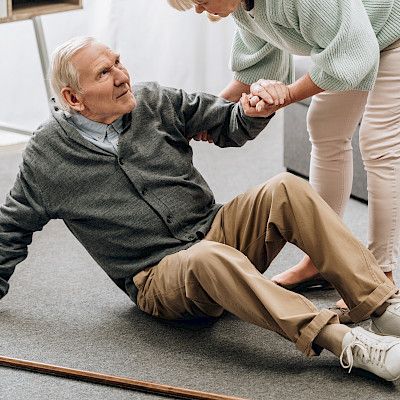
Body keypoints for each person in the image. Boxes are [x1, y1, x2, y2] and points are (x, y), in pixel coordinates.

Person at [1, 36, 400, 382]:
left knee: (286, 187)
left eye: (118, 61)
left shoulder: (152, 99)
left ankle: (379, 305)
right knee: (207, 257)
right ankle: (346, 343)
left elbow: (228, 122)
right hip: (159, 278)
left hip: (215, 231)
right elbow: (11, 229)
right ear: (73, 98)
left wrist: (254, 109)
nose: (122, 75)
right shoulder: (47, 156)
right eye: (104, 73)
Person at [167, 0, 400, 319]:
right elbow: (258, 67)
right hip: (353, 40)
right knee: (325, 129)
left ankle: (381, 274)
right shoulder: (240, 7)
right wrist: (209, 114)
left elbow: (351, 54)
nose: (198, 10)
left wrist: (287, 95)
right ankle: (321, 259)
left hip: (392, 33)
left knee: (378, 145)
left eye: (200, 0)